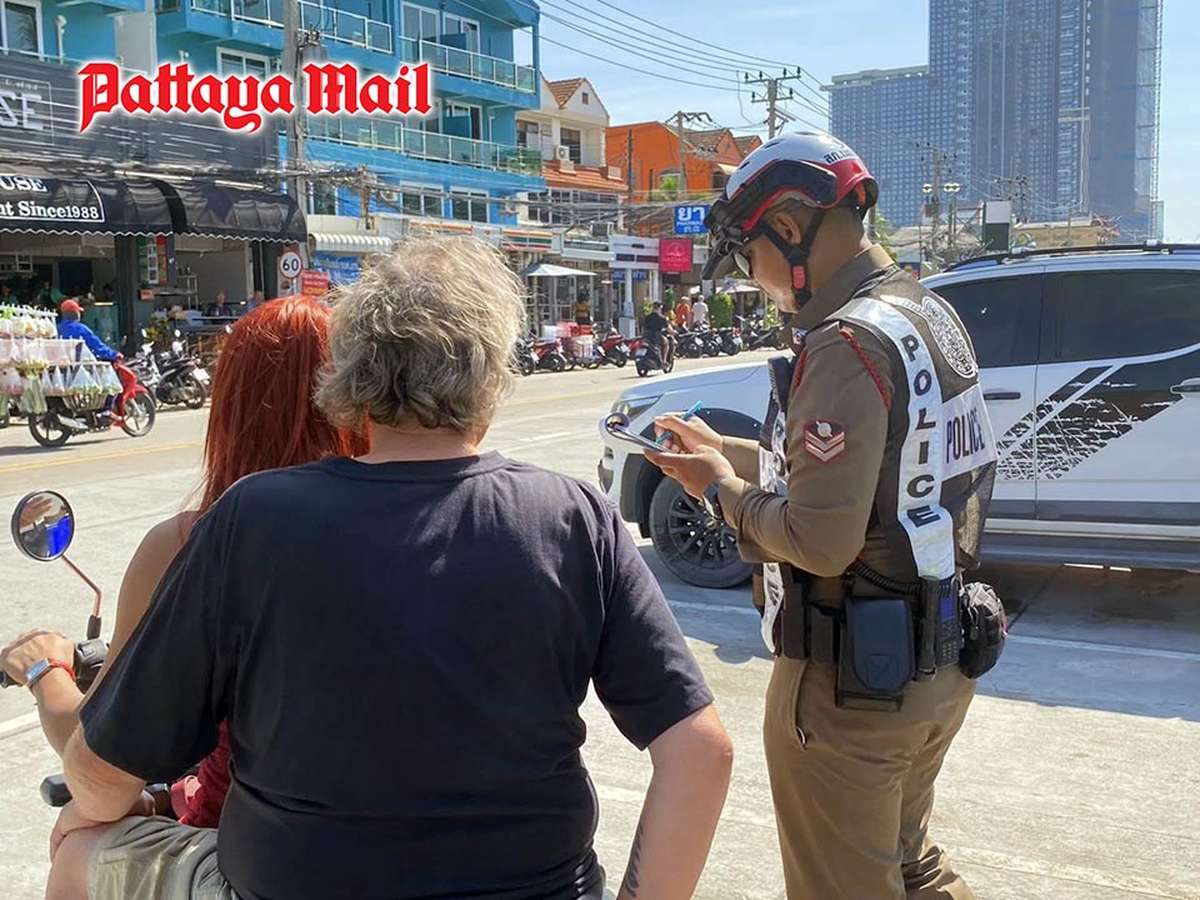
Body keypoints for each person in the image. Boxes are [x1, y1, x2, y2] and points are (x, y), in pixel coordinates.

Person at [45, 236, 732, 900]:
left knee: (78, 848)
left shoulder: (253, 518)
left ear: (352, 380)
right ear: (491, 379)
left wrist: (94, 797)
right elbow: (700, 753)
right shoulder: (573, 516)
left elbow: (104, 774)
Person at [646, 132, 996, 900]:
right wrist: (727, 453)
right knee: (910, 867)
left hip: (851, 687)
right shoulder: (923, 313)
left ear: (792, 226)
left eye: (747, 255)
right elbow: (884, 478)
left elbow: (820, 539)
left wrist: (718, 491)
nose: (751, 278)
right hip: (935, 660)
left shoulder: (845, 342)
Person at [1, 297, 367, 824]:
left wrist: (44, 666)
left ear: (231, 408)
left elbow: (98, 766)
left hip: (249, 845)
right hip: (408, 841)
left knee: (77, 828)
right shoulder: (411, 527)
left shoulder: (188, 541)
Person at [643, 301, 673, 365]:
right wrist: (674, 332)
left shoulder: (647, 317)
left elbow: (644, 327)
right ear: (660, 308)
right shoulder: (661, 318)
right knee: (666, 343)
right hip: (656, 336)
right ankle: (664, 360)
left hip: (647, 336)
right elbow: (668, 329)